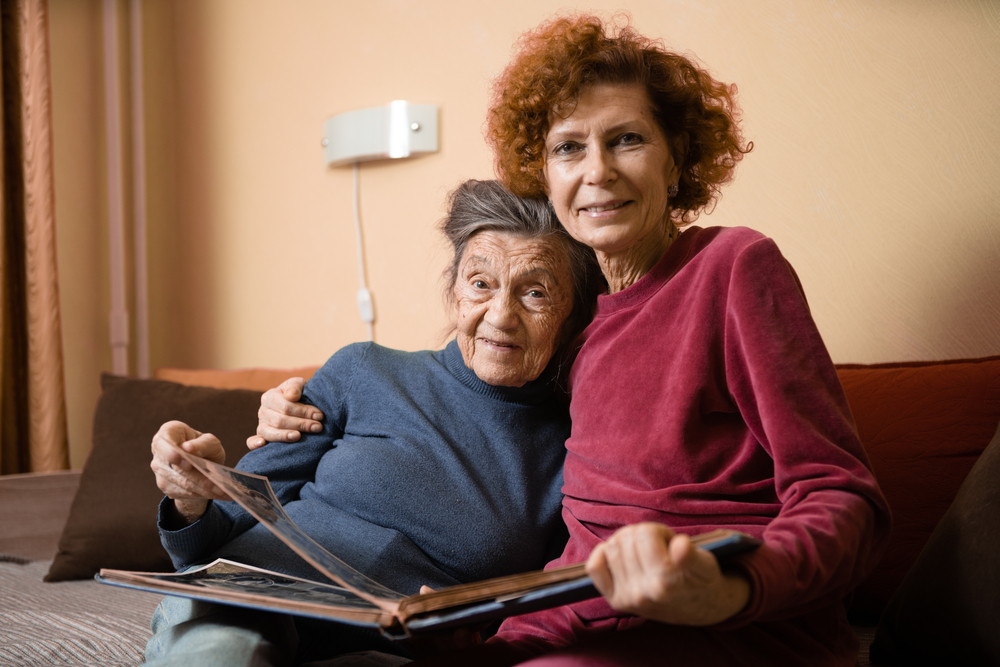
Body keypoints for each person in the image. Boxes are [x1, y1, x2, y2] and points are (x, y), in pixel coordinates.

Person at [265, 14, 891, 667]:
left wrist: (733, 587)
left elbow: (843, 496)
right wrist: (487, 641)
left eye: (626, 140)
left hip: (738, 631)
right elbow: (584, 552)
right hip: (593, 639)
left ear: (676, 159)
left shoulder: (733, 267)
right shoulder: (577, 330)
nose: (597, 171)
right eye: (568, 147)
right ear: (544, 172)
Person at [144, 179, 602, 667]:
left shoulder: (576, 450)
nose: (501, 315)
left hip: (386, 648)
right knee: (229, 655)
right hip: (248, 605)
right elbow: (209, 546)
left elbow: (540, 610)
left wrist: (470, 640)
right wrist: (190, 498)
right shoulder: (363, 370)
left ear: (573, 314)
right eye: (480, 284)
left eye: (535, 293)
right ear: (454, 291)